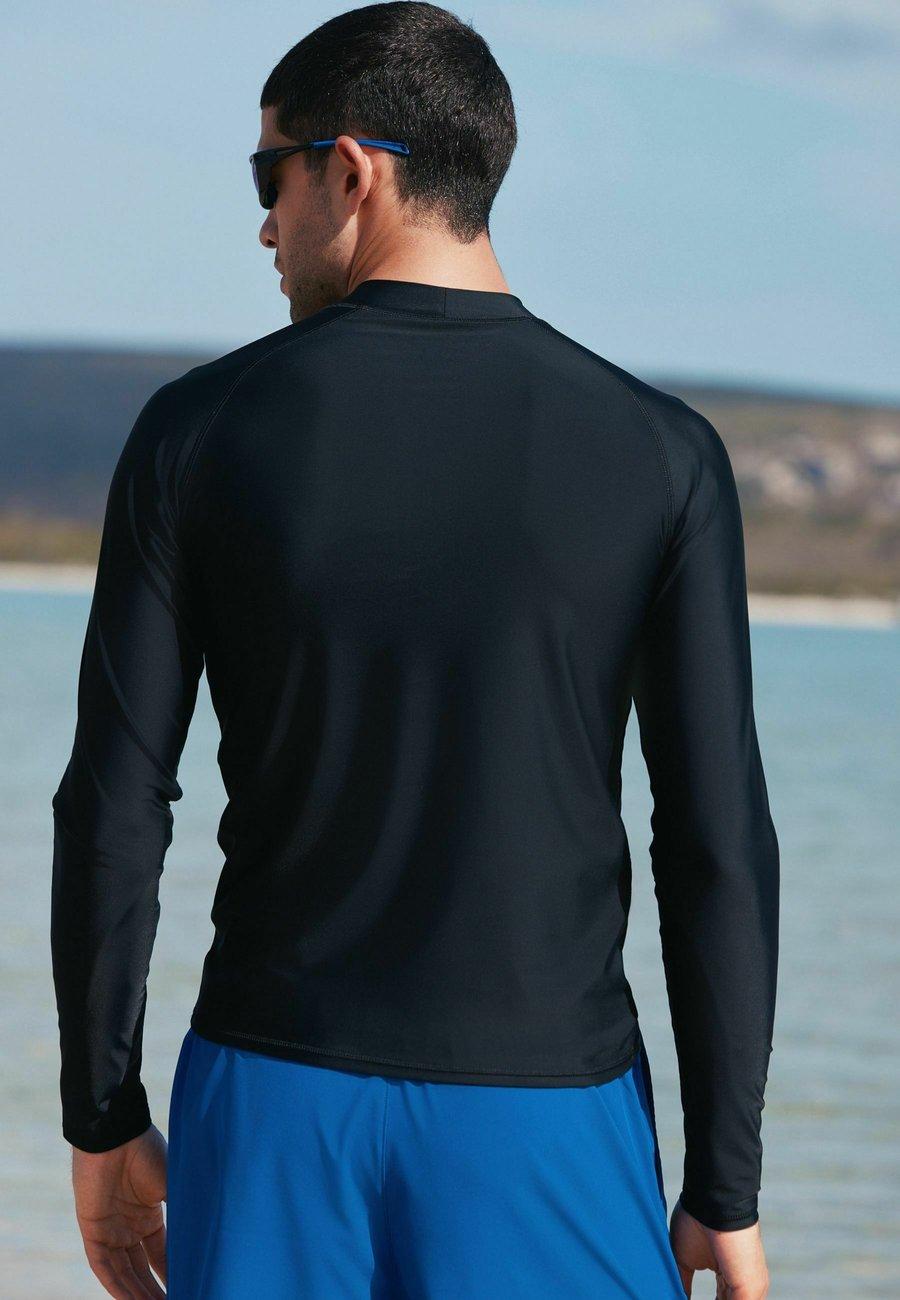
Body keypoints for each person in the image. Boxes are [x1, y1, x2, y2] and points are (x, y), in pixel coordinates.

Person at [50, 3, 780, 1297]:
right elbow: (715, 840)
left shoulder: (197, 432)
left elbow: (114, 805)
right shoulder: (662, 454)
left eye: (268, 178)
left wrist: (102, 1114)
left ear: (350, 169)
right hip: (544, 1111)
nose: (264, 227)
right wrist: (724, 1181)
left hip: (274, 1096)